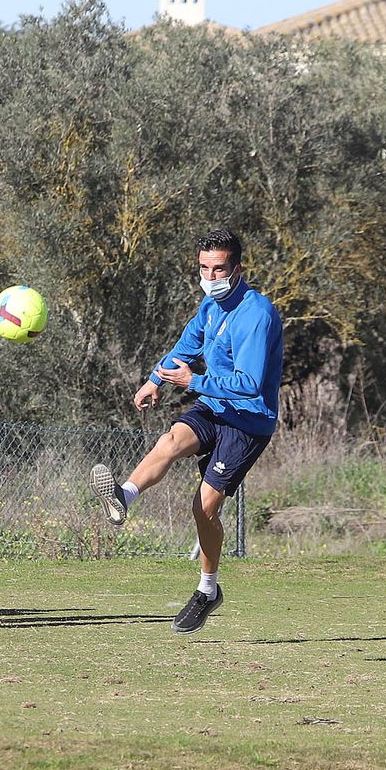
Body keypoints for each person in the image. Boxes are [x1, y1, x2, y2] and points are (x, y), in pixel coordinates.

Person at [89, 228, 284, 634]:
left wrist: (192, 382)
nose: (211, 277)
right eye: (204, 268)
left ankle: (208, 590)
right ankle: (124, 497)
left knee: (204, 508)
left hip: (248, 421)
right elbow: (184, 348)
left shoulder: (257, 315)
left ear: (238, 268)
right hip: (214, 406)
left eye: (219, 269)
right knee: (170, 440)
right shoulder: (210, 306)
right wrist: (154, 379)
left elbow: (249, 384)